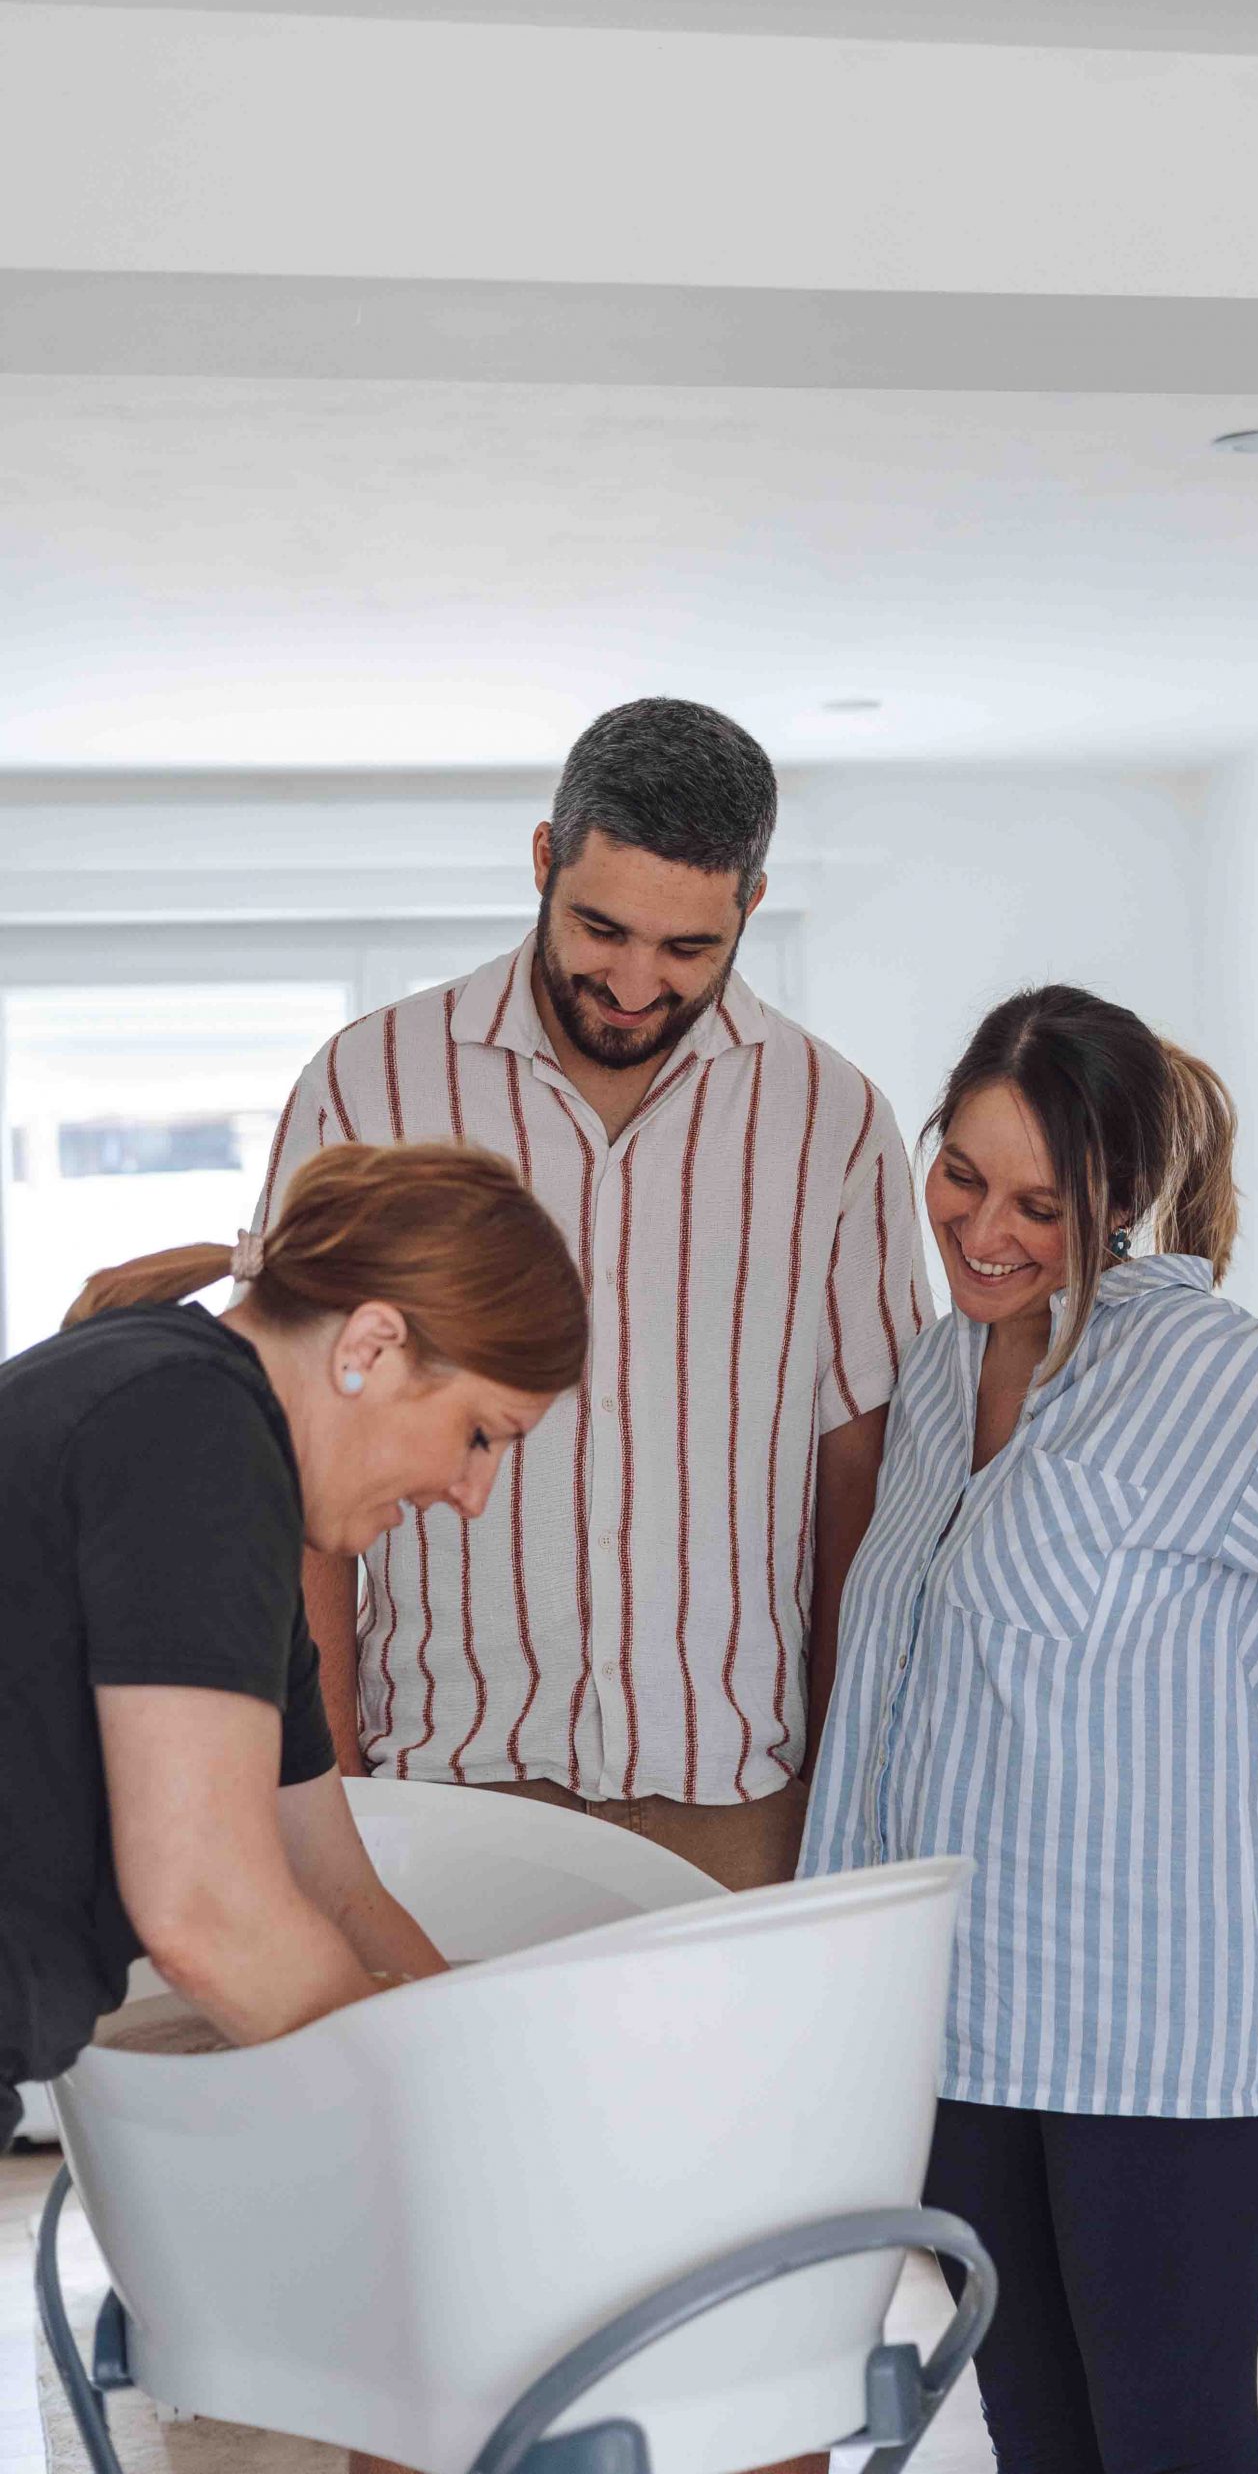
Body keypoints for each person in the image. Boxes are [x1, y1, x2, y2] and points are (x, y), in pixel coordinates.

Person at [800, 985, 1258, 2474]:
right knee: (1033, 2436)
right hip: (955, 2020)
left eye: (1040, 1204)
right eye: (959, 1175)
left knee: (1168, 2441)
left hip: (1150, 2024)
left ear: (1118, 1204)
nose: (984, 1232)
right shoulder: (941, 1375)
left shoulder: (1198, 1375)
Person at [263, 697, 928, 1891]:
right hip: (440, 1789)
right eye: (601, 928)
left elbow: (860, 1474)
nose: (632, 984)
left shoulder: (833, 1122)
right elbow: (302, 1448)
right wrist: (333, 1783)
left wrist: (845, 1782)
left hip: (739, 1804)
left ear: (751, 909)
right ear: (542, 860)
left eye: (687, 950)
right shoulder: (370, 1084)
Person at [0, 1141, 585, 2151]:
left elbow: (332, 1886)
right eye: (482, 1434)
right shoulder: (196, 1435)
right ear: (370, 1345)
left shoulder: (218, 1460)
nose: (471, 1492)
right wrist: (468, 2133)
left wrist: (477, 2060)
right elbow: (206, 1913)